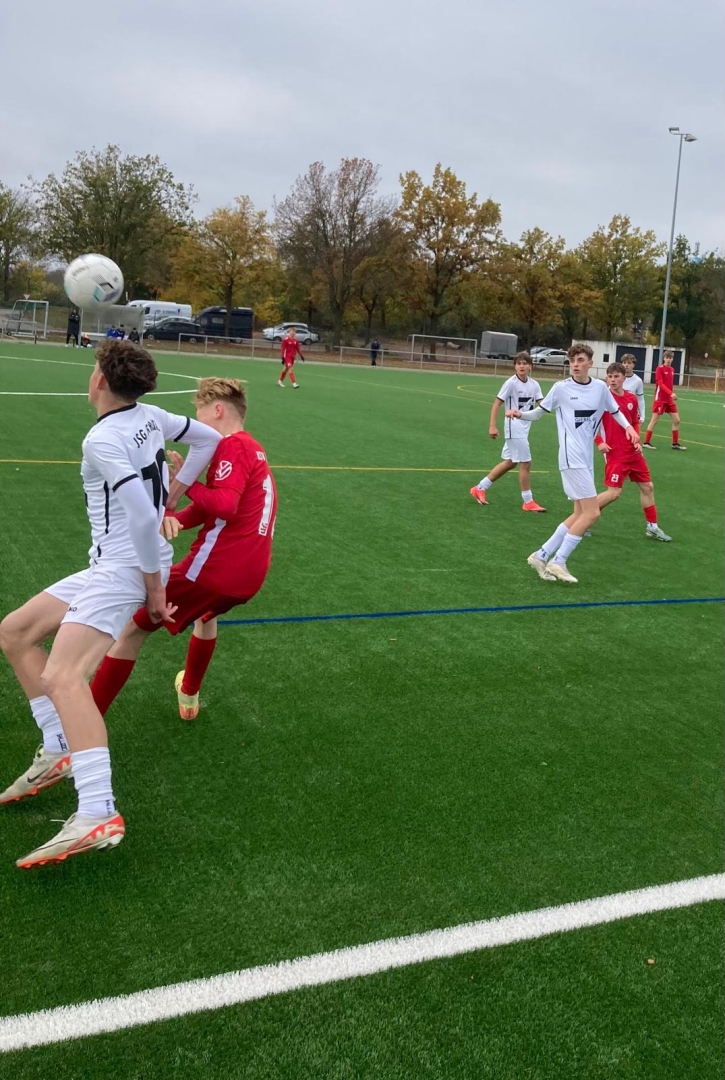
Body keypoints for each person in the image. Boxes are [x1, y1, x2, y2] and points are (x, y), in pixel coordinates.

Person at [0, 339, 222, 867]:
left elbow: (143, 518)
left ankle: (98, 810)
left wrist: (154, 586)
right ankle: (59, 746)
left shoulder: (102, 438)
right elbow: (209, 438)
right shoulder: (151, 416)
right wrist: (175, 491)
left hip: (126, 569)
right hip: (112, 565)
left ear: (100, 380)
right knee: (14, 631)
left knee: (63, 676)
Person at [90, 377, 277, 722]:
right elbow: (216, 507)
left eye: (200, 415)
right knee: (207, 615)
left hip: (215, 571)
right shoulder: (252, 447)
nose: (198, 424)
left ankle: (78, 729)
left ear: (217, 410)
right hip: (249, 576)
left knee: (133, 630)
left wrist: (185, 485)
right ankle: (189, 694)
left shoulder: (232, 446)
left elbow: (224, 506)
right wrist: (174, 518)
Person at [506, 343, 640, 584]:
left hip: (586, 459)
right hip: (570, 458)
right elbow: (539, 412)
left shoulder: (600, 388)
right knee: (592, 513)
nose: (575, 365)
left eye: (580, 360)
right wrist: (521, 414)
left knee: (579, 513)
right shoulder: (561, 388)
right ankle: (559, 561)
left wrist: (629, 427)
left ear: (590, 363)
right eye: (572, 361)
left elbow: (615, 411)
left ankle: (541, 555)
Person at [594, 363, 671, 541]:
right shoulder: (602, 400)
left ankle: (652, 527)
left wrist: (637, 439)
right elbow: (590, 424)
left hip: (633, 452)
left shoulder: (631, 398)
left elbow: (634, 422)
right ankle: (583, 516)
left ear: (624, 378)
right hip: (615, 452)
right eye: (610, 377)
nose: (612, 380)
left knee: (647, 487)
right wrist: (599, 442)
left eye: (616, 376)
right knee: (614, 493)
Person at [470, 352, 546, 512]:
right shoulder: (511, 383)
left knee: (511, 462)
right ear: (515, 366)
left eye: (525, 363)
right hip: (513, 427)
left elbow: (543, 404)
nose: (522, 366)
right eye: (519, 364)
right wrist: (492, 426)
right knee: (526, 463)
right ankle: (528, 501)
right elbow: (497, 404)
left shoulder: (535, 385)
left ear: (530, 366)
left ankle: (480, 488)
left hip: (524, 428)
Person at [643, 350, 686, 451]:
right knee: (654, 420)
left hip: (669, 400)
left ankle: (675, 443)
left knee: (676, 420)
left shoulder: (672, 369)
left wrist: (670, 395)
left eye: (670, 358)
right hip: (660, 399)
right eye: (667, 357)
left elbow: (669, 384)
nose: (668, 360)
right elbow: (661, 384)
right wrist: (671, 393)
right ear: (664, 358)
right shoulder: (660, 369)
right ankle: (646, 442)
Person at [621, 354, 645, 424]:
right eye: (624, 363)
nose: (626, 365)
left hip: (630, 412)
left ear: (633, 365)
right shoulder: (617, 377)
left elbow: (640, 399)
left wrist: (642, 416)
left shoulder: (638, 381)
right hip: (618, 411)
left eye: (629, 363)